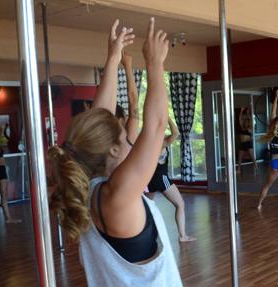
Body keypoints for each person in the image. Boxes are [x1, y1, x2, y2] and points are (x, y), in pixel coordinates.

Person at [49, 18, 182, 286]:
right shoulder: (117, 196)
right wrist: (155, 64)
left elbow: (102, 116)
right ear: (111, 149)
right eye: (124, 137)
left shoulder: (88, 184)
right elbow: (155, 127)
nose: (128, 140)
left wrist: (112, 60)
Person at [147, 117, 196, 242]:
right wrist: (166, 117)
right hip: (161, 178)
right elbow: (176, 133)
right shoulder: (161, 143)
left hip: (149, 179)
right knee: (180, 204)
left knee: (148, 207)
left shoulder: (149, 142)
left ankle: (147, 235)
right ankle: (183, 236)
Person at [237, 107, 258, 173]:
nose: (245, 122)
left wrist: (248, 113)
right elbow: (239, 119)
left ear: (248, 123)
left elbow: (251, 120)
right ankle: (238, 169)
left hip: (248, 143)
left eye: (247, 122)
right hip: (242, 144)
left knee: (252, 157)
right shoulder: (242, 127)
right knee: (239, 157)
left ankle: (256, 168)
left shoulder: (250, 128)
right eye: (244, 122)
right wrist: (241, 111)